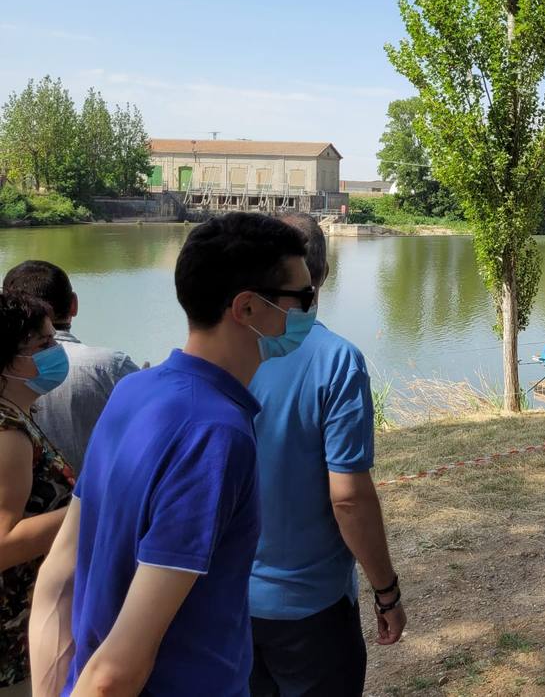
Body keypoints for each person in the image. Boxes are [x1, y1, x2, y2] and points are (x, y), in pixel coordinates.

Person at [29, 212, 313, 697]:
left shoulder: (134, 391)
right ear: (246, 308)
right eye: (302, 299)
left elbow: (59, 572)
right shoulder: (217, 436)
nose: (310, 311)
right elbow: (119, 669)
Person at [249, 214, 406, 697]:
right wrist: (387, 592)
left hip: (229, 601)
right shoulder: (336, 360)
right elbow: (349, 500)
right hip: (310, 610)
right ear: (322, 274)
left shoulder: (229, 347)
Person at [0, 293, 74, 697]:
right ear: (9, 360)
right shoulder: (7, 434)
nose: (56, 352)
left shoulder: (17, 418)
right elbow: (3, 543)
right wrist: (91, 505)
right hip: (13, 642)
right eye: (43, 345)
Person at [2, 261, 141, 474]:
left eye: (52, 341)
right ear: (73, 304)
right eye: (46, 343)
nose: (57, 348)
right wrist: (87, 500)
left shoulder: (22, 409)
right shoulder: (110, 367)